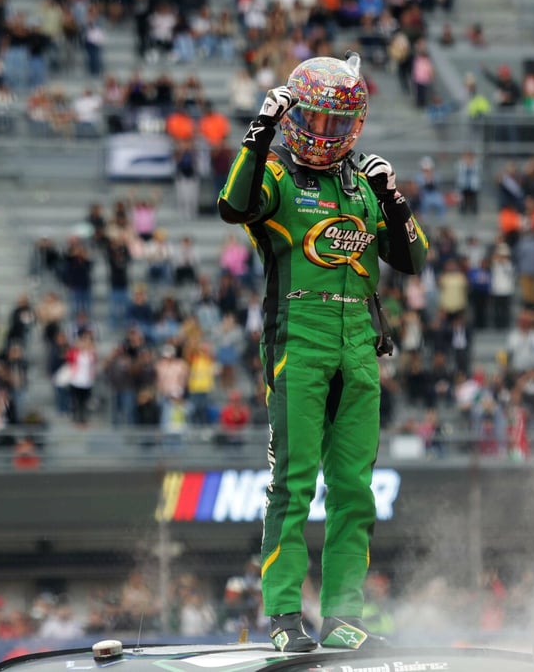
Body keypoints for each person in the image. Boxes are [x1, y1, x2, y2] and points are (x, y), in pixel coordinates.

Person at [217, 53, 427, 652]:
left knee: (355, 490)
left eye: (338, 123)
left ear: (356, 124)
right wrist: (258, 132)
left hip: (360, 346)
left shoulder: (362, 183)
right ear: (293, 115)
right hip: (297, 343)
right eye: (316, 118)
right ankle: (285, 616)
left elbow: (413, 259)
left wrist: (393, 198)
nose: (325, 133)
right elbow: (233, 205)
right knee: (292, 485)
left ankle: (342, 619)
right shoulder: (276, 174)